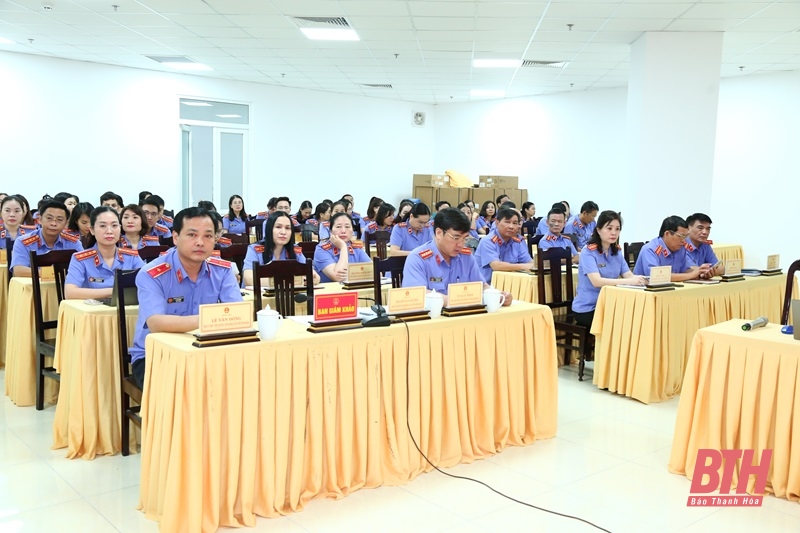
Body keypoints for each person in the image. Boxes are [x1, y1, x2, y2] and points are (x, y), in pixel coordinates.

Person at [128, 207, 243, 389]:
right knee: (180, 392)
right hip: (156, 355)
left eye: (208, 236)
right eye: (192, 235)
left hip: (206, 351)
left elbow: (238, 315)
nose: (200, 242)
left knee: (244, 383)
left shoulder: (223, 271)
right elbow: (156, 323)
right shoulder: (152, 274)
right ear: (175, 237)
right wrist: (212, 319)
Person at [401, 208, 512, 306]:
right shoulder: (418, 258)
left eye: (464, 238)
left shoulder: (466, 257)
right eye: (456, 238)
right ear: (439, 233)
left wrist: (498, 295)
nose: (461, 244)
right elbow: (417, 294)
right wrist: (455, 302)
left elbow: (482, 286)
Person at [572, 211, 646, 328]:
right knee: (625, 322)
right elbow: (597, 282)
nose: (614, 233)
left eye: (617, 229)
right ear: (598, 229)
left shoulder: (616, 251)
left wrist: (645, 280)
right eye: (609, 228)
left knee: (638, 315)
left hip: (611, 304)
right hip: (589, 308)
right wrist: (629, 281)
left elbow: (629, 276)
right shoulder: (588, 252)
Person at [64, 206, 145, 299]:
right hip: (93, 312)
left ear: (120, 228)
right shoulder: (80, 259)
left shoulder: (132, 256)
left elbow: (148, 283)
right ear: (92, 230)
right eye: (103, 226)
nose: (109, 231)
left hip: (128, 312)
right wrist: (115, 291)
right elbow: (70, 293)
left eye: (114, 225)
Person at [242, 211, 319, 287]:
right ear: (269, 230)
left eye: (288, 228)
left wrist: (311, 279)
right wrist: (290, 281)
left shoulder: (295, 250)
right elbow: (249, 280)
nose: (283, 232)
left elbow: (315, 277)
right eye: (278, 227)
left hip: (287, 296)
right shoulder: (254, 249)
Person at [9, 200, 83, 276]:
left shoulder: (74, 243)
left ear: (66, 223)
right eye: (49, 218)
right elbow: (18, 271)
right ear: (40, 219)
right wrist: (51, 274)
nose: (53, 223)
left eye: (59, 220)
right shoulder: (23, 242)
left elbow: (83, 268)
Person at [633, 216, 709, 281]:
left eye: (686, 237)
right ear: (667, 234)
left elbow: (685, 270)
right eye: (681, 236)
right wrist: (691, 275)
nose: (684, 241)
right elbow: (657, 277)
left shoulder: (680, 248)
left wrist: (700, 272)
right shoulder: (650, 249)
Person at [474, 207, 535, 282]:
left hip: (510, 283)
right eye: (507, 222)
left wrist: (534, 265)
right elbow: (496, 266)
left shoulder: (518, 241)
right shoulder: (488, 241)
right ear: (497, 223)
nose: (511, 226)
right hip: (488, 286)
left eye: (515, 223)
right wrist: (523, 266)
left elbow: (528, 261)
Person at [313, 212, 370, 283]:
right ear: (330, 231)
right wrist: (343, 247)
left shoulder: (356, 248)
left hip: (354, 290)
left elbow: (375, 272)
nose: (343, 231)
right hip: (330, 292)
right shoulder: (321, 249)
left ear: (352, 231)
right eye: (338, 227)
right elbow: (339, 278)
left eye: (347, 227)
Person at [685, 213, 722, 277]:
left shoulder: (705, 245)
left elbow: (720, 268)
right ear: (688, 229)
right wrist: (705, 271)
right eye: (700, 228)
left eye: (708, 229)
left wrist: (705, 271)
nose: (705, 232)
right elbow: (690, 269)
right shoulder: (681, 245)